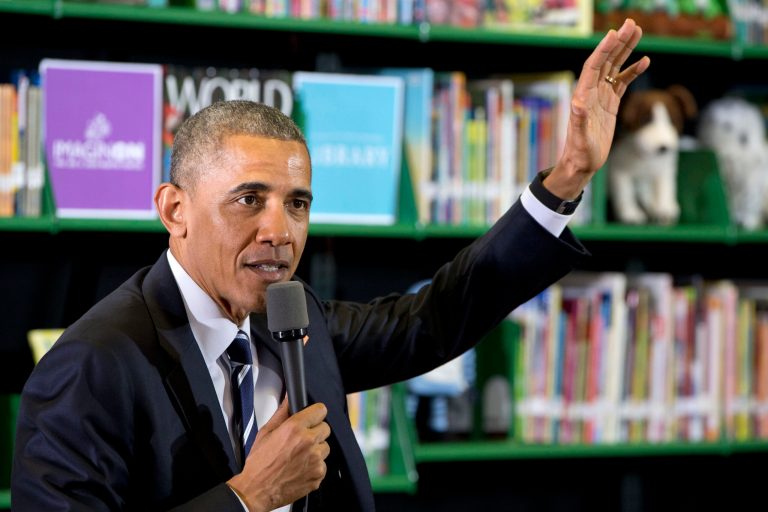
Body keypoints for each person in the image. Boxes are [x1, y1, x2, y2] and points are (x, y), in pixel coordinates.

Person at [11, 18, 650, 512]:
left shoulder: (294, 316)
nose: (279, 231)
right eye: (248, 200)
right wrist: (246, 498)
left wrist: (568, 177)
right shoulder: (89, 366)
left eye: (297, 204)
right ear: (174, 209)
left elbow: (435, 318)